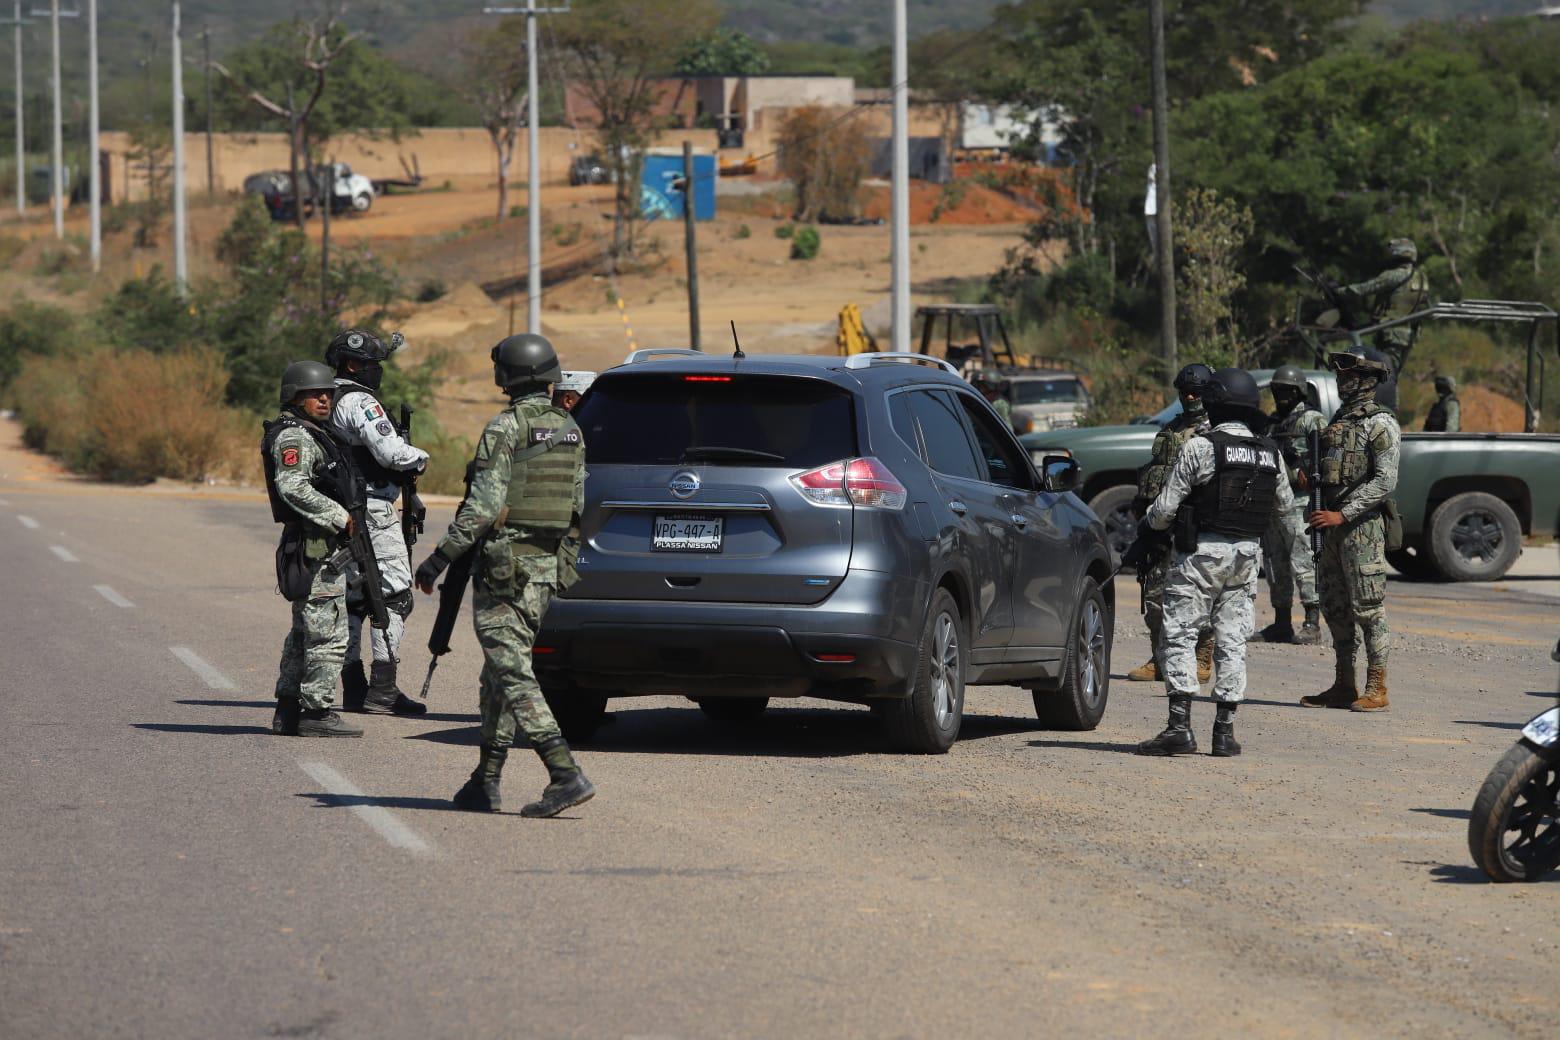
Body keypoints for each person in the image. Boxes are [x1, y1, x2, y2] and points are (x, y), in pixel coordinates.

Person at [413, 333, 594, 819]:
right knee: (497, 673)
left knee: (512, 671)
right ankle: (485, 780)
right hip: (543, 571)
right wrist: (562, 565)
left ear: (507, 377)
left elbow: (484, 507)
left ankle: (563, 772)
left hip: (504, 569)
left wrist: (439, 558)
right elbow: (578, 507)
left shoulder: (505, 427)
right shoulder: (571, 430)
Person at [1133, 367, 1294, 757]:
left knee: (1180, 634)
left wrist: (1147, 525)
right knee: (1232, 639)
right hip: (1246, 557)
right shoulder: (1270, 452)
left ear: (1215, 403)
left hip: (1200, 556)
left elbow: (1163, 511)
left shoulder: (1202, 447)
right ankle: (1224, 733)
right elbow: (1286, 508)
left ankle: (1179, 727)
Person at [326, 328, 430, 717]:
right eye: (372, 365)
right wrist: (421, 458)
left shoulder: (328, 399)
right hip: (373, 509)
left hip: (346, 509)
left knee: (354, 598)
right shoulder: (357, 401)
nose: (377, 372)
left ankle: (353, 687)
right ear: (352, 364)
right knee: (396, 596)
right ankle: (383, 689)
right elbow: (392, 454)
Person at [262, 361, 363, 739]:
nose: (324, 398)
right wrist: (340, 517)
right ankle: (316, 712)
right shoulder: (296, 437)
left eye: (328, 393)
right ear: (294, 396)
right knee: (329, 632)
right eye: (314, 393)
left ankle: (288, 709)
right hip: (316, 548)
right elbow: (293, 486)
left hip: (314, 547)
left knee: (304, 633)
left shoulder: (313, 432)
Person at [1300, 345, 1400, 712]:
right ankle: (1344, 683)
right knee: (1335, 606)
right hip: (1328, 527)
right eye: (1340, 374)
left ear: (1370, 379)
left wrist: (1343, 515)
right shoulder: (1338, 421)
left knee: (1368, 609)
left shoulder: (1381, 422)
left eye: (1350, 374)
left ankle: (1378, 686)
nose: (1343, 381)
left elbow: (1385, 481)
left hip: (1361, 529)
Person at [1126, 363, 1215, 685]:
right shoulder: (1172, 426)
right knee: (1154, 595)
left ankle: (1202, 656)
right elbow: (1157, 467)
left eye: (1196, 392)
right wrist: (1141, 498)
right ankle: (1160, 657)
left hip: (1191, 525)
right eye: (1185, 392)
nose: (1190, 397)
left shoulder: (1213, 430)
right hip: (1158, 523)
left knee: (1196, 594)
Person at [1259, 365, 1325, 645]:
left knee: (1304, 561)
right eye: (1277, 390)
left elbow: (1326, 457)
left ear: (1299, 391)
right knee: (1275, 563)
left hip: (1301, 502)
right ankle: (1281, 622)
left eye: (1287, 390)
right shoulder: (1273, 423)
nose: (1281, 395)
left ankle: (1312, 623)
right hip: (1272, 503)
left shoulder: (1312, 420)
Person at [1335, 237, 1427, 407]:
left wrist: (1339, 291)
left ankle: (1388, 414)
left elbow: (1366, 288)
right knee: (1391, 376)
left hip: (1389, 333)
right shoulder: (1421, 278)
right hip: (1408, 336)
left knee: (1385, 378)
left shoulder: (1393, 275)